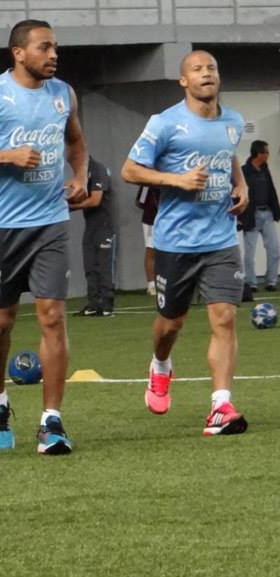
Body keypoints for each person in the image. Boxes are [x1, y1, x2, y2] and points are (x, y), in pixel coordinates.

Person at [0, 19, 88, 455]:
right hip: (5, 228)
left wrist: (80, 176)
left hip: (52, 222)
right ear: (19, 53)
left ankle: (51, 422)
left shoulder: (64, 94)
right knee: (2, 321)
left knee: (53, 316)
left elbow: (76, 143)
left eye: (55, 47)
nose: (53, 55)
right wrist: (6, 155)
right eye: (44, 47)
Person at [120, 50, 248, 436]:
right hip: (175, 241)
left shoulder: (233, 121)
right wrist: (176, 180)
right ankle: (161, 365)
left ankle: (220, 406)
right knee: (171, 323)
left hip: (221, 237)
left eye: (212, 68)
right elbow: (130, 170)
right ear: (183, 80)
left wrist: (240, 184)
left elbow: (227, 154)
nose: (206, 73)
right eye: (197, 69)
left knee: (224, 317)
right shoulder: (164, 123)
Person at [70, 155, 116, 316]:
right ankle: (93, 304)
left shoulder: (97, 169)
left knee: (103, 266)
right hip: (91, 226)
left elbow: (95, 200)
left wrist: (69, 207)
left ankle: (107, 305)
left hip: (104, 227)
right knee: (90, 266)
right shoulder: (82, 173)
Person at [239, 140, 280, 292]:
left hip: (267, 213)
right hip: (251, 215)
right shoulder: (244, 170)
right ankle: (251, 283)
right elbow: (239, 193)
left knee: (274, 250)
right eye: (266, 152)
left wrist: (276, 211)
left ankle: (271, 281)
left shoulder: (264, 169)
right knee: (249, 252)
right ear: (258, 153)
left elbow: (271, 190)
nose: (268, 155)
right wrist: (240, 217)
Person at [136, 185, 160, 295]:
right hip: (151, 221)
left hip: (167, 220)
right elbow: (140, 202)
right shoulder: (147, 183)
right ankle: (151, 285)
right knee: (151, 250)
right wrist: (153, 207)